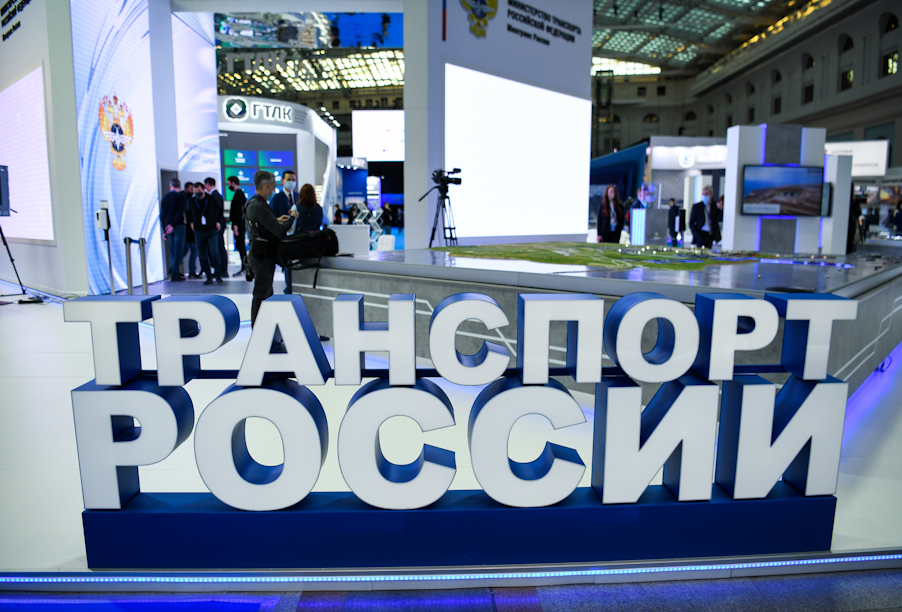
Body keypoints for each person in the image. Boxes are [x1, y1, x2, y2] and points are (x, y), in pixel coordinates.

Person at [246, 170, 298, 324]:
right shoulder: (259, 206)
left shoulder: (253, 203)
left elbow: (263, 226)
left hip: (259, 254)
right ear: (267, 186)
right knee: (262, 295)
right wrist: (292, 218)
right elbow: (279, 231)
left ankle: (264, 328)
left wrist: (275, 220)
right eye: (273, 185)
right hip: (262, 257)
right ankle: (259, 329)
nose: (274, 189)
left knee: (265, 293)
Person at [188, 183, 225, 285]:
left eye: (199, 191)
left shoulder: (212, 199)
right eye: (195, 192)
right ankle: (208, 276)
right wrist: (191, 222)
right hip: (199, 231)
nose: (197, 193)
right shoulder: (191, 201)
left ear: (203, 190)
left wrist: (218, 221)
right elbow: (187, 212)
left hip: (211, 230)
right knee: (203, 255)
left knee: (214, 252)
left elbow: (220, 209)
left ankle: (218, 274)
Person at [270, 170, 299, 294]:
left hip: (298, 237)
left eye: (293, 180)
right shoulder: (276, 198)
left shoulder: (298, 197)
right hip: (284, 238)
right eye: (289, 180)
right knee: (287, 266)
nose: (291, 182)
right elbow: (272, 218)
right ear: (282, 181)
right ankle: (289, 289)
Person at [160, 178, 186, 282]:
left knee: (173, 250)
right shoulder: (181, 197)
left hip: (168, 227)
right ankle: (175, 273)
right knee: (178, 251)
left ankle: (174, 271)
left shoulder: (165, 197)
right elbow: (180, 212)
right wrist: (173, 224)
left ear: (170, 186)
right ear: (179, 186)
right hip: (178, 226)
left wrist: (165, 228)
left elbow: (162, 215)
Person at [204, 178, 229, 277]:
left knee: (219, 247)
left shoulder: (215, 196)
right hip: (217, 225)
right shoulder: (215, 195)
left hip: (217, 225)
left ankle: (223, 269)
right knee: (218, 247)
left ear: (207, 184)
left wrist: (217, 222)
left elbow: (218, 211)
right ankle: (221, 269)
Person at [227, 176, 248, 276]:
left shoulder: (239, 194)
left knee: (240, 245)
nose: (228, 186)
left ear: (233, 183)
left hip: (239, 225)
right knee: (240, 245)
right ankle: (245, 266)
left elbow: (239, 212)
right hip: (239, 224)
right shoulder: (239, 194)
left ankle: (245, 267)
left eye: (229, 183)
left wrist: (236, 225)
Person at [183, 183, 201, 279]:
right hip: (189, 232)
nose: (193, 192)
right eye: (192, 189)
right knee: (194, 250)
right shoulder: (188, 201)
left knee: (186, 251)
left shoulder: (191, 200)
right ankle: (192, 271)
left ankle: (175, 270)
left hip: (190, 231)